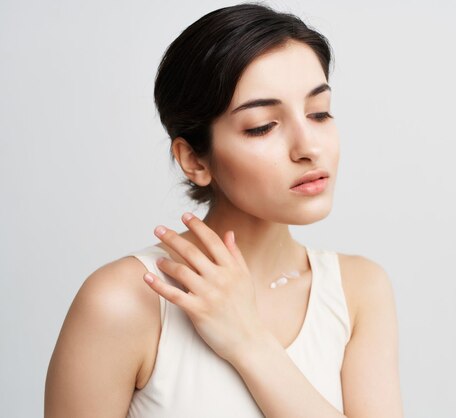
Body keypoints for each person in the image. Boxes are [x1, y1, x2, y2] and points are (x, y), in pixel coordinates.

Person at [44, 3, 403, 417]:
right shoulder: (125, 301)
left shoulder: (358, 291)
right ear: (195, 160)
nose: (309, 148)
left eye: (319, 113)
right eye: (262, 126)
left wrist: (249, 341)